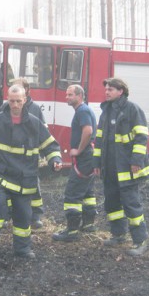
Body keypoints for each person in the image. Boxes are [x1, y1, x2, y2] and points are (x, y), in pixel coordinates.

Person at [0, 84, 63, 259]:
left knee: (23, 215)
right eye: (11, 101)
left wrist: (55, 161)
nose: (14, 105)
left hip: (24, 178)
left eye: (18, 101)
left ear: (25, 100)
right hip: (0, 173)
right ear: (7, 99)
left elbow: (50, 145)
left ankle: (22, 249)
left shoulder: (34, 123)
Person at [93, 78, 149, 256]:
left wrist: (136, 161)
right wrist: (97, 164)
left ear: (121, 91)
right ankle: (118, 234)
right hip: (109, 168)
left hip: (127, 167)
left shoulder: (132, 110)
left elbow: (142, 137)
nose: (107, 92)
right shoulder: (106, 111)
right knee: (112, 203)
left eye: (111, 89)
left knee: (131, 204)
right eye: (106, 89)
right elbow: (100, 140)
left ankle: (140, 240)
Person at [52, 85, 98, 242]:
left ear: (79, 96)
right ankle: (88, 225)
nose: (67, 97)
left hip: (84, 157)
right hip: (89, 157)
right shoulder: (84, 110)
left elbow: (88, 131)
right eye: (66, 94)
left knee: (72, 192)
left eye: (70, 95)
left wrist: (78, 150)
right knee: (87, 193)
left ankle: (71, 231)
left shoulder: (82, 111)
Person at [0, 77, 46, 229]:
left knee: (34, 186)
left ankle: (36, 216)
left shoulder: (35, 109)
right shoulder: (4, 107)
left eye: (18, 88)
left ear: (26, 91)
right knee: (7, 187)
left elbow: (43, 131)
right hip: (10, 157)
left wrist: (43, 154)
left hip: (29, 158)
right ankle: (6, 215)